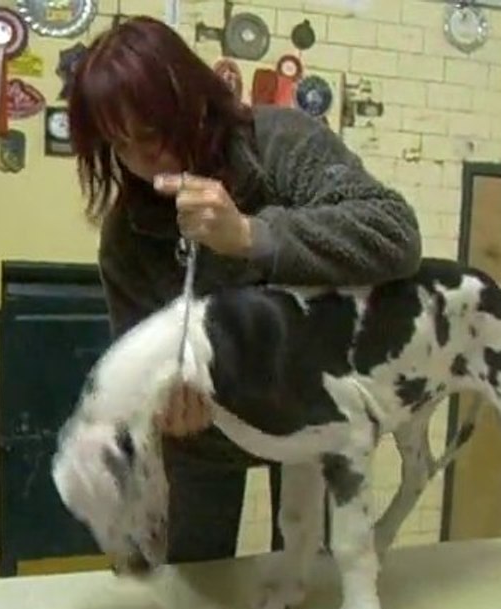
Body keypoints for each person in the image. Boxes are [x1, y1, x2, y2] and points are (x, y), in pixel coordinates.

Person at [67, 15, 422, 564]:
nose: (144, 158)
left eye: (154, 131)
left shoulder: (279, 142)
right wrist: (162, 409)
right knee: (198, 592)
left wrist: (253, 235)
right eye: (121, 144)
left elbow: (394, 233)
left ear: (191, 100)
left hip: (310, 413)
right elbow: (136, 357)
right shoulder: (127, 236)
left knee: (310, 579)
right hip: (205, 445)